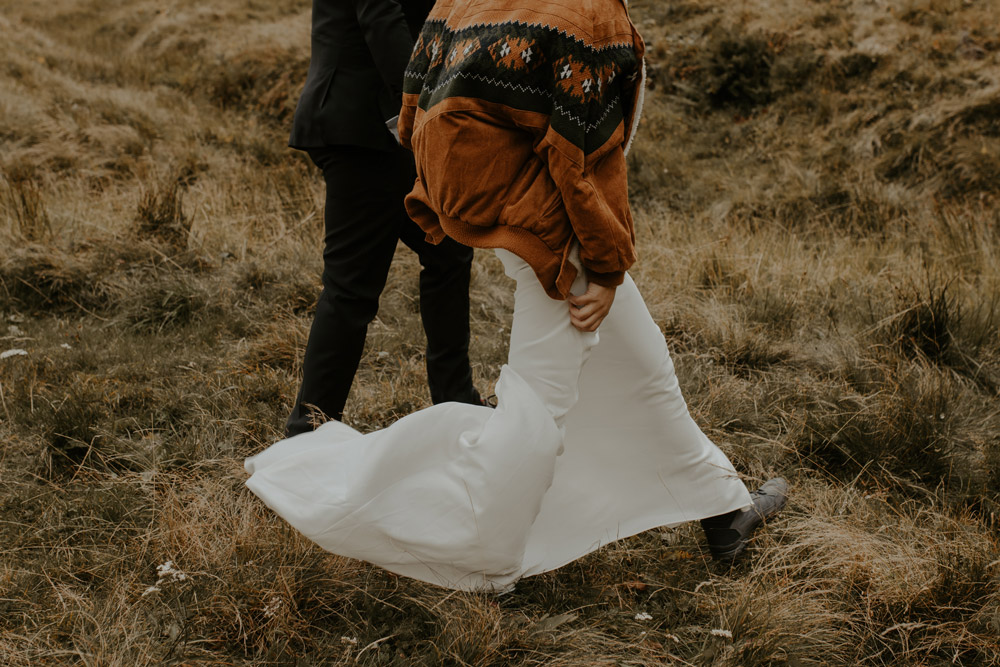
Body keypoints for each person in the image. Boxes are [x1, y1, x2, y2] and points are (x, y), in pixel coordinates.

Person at [247, 0, 787, 591]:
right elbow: (583, 156)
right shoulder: (586, 18)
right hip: (557, 230)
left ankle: (723, 510)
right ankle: (476, 551)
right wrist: (605, 265)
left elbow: (420, 81)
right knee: (537, 409)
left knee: (643, 363)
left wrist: (448, 189)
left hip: (508, 213)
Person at [283, 0, 483, 438]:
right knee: (353, 287)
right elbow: (379, 14)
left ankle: (457, 404)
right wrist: (423, 107)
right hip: (366, 124)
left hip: (391, 126)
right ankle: (307, 436)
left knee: (449, 252)